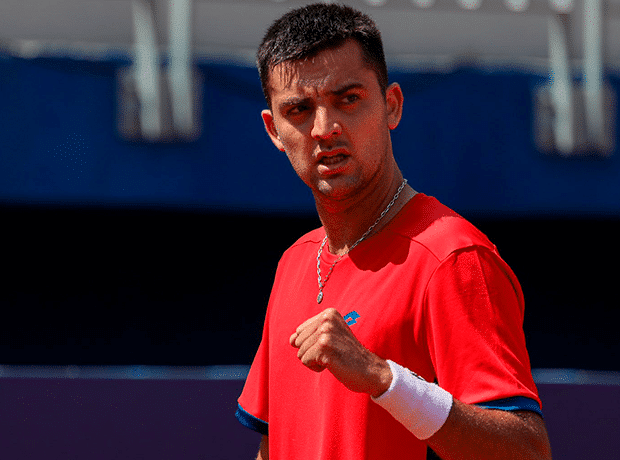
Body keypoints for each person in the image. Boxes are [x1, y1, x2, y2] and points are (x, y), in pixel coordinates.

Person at [235, 4, 552, 460]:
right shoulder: (295, 262)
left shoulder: (453, 258)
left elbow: (527, 452)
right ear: (274, 130)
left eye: (348, 98)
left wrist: (385, 379)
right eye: (300, 110)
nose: (325, 129)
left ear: (392, 106)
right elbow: (274, 445)